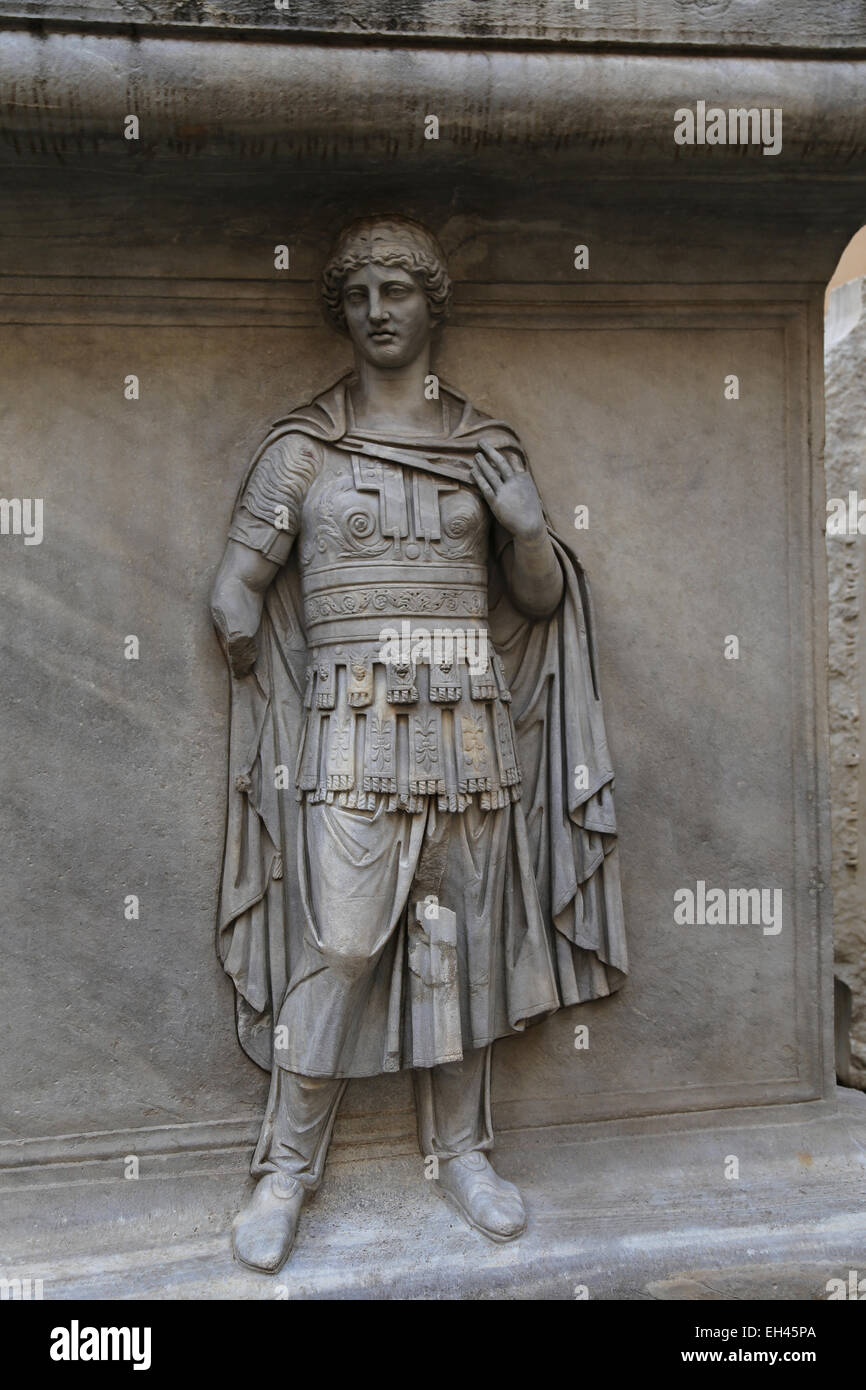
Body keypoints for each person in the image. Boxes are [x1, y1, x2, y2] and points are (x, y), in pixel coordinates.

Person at [211, 216, 627, 1274]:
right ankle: (286, 1171)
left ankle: (463, 1154)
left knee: (452, 946)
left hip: (464, 728)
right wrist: (239, 617)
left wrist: (528, 526)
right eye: (358, 295)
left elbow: (534, 601)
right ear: (340, 311)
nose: (378, 312)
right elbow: (236, 582)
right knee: (342, 946)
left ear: (429, 305)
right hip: (351, 725)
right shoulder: (302, 448)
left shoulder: (482, 445)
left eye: (397, 291)